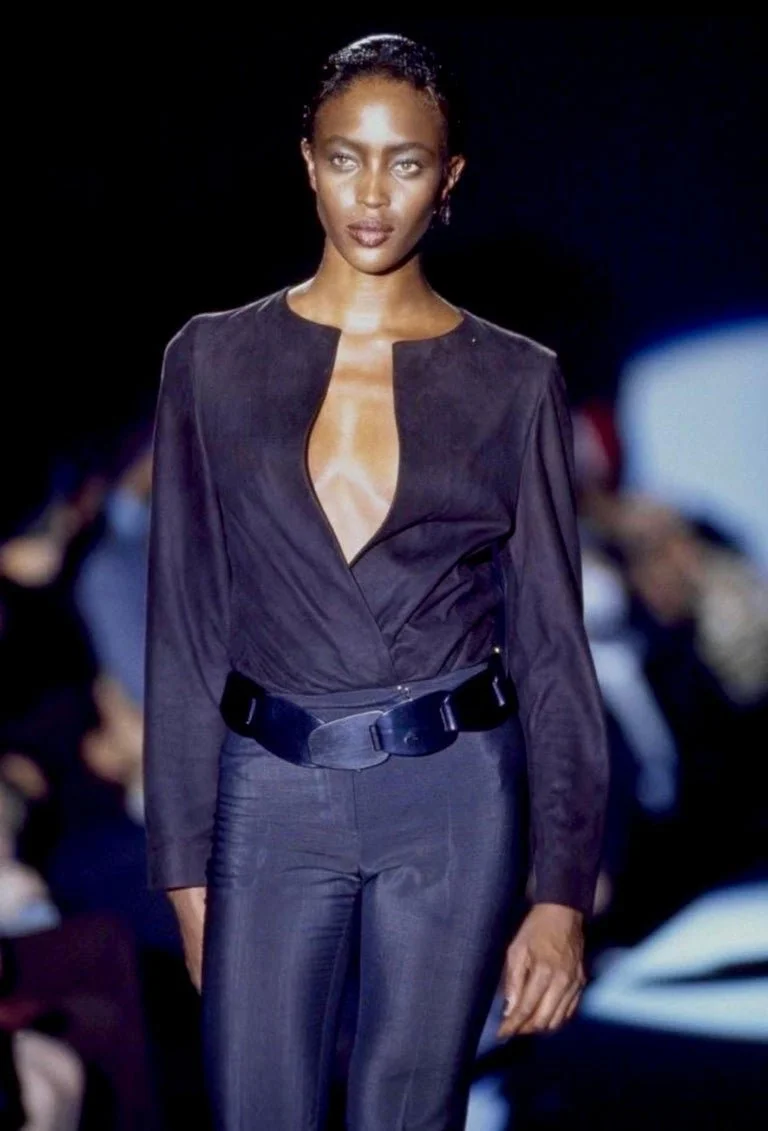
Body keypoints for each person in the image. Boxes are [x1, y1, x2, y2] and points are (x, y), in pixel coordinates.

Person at [143, 33, 610, 1130]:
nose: (370, 193)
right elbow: (185, 624)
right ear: (308, 161)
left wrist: (560, 891)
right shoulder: (209, 360)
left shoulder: (514, 380)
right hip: (270, 789)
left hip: (450, 797)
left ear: (448, 179)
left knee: (411, 1112)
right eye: (347, 157)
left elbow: (552, 647)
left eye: (406, 163)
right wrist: (180, 861)